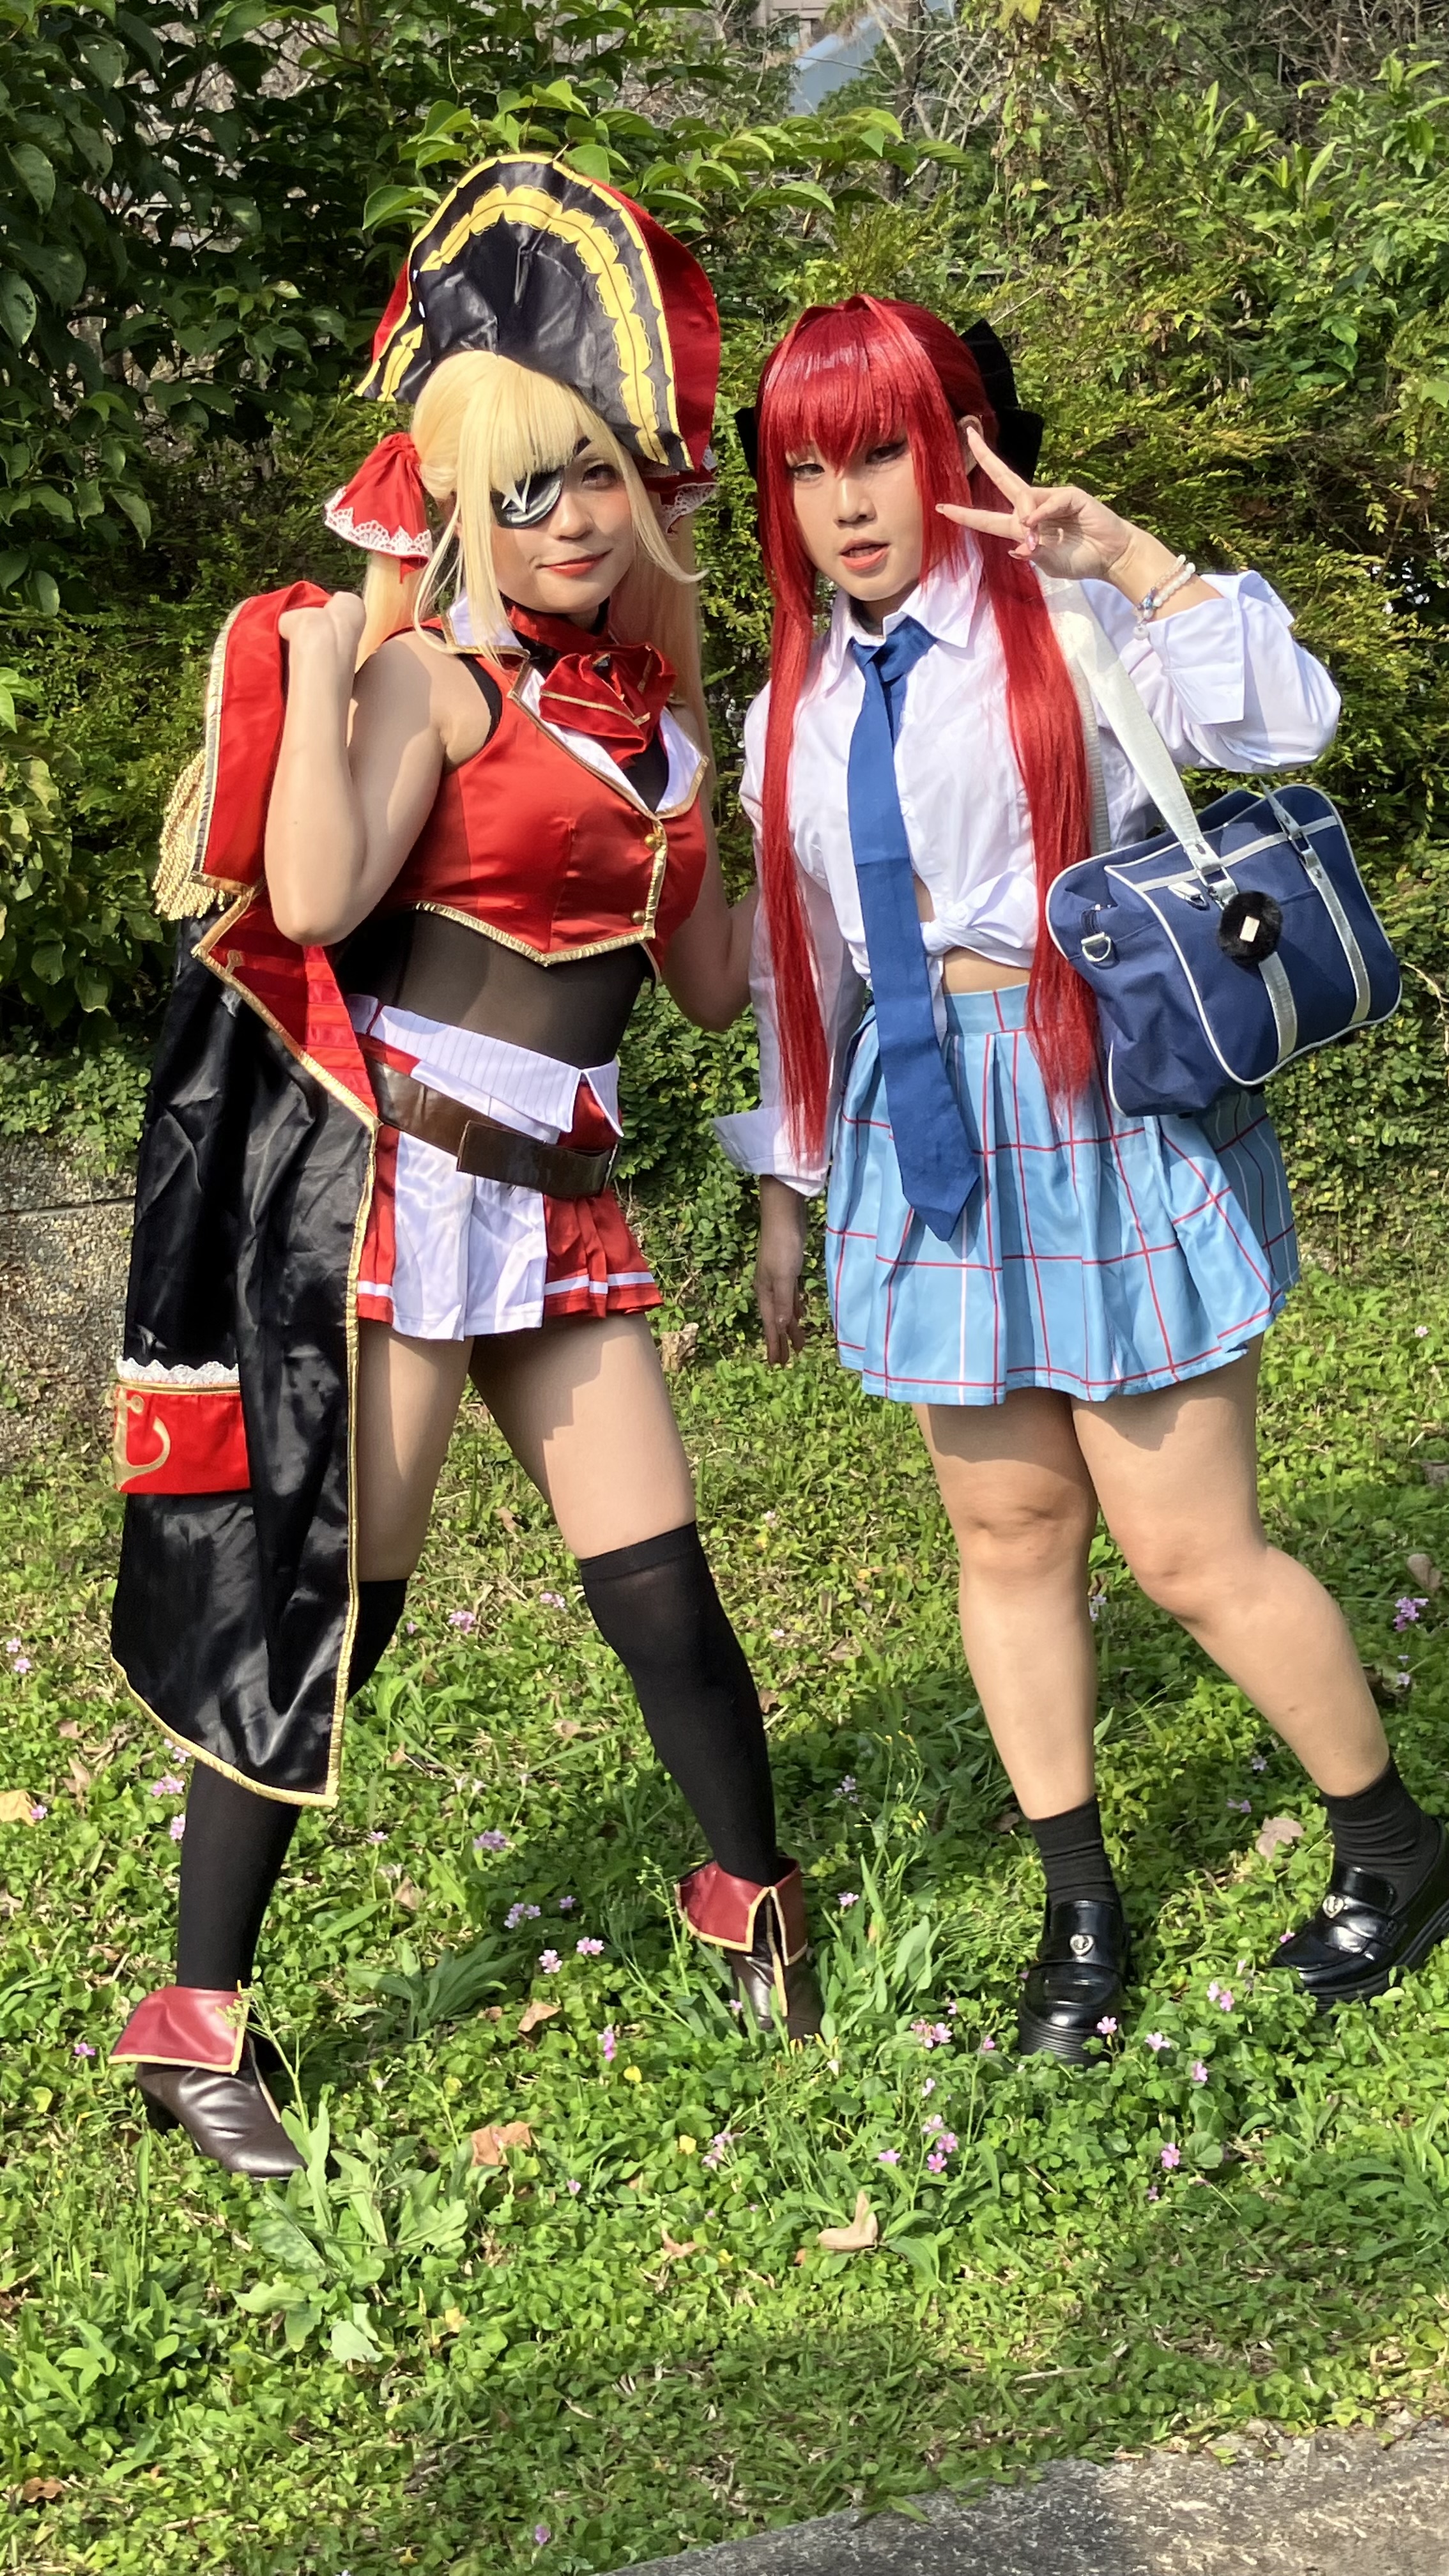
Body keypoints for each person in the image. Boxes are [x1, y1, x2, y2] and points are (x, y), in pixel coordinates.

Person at [108, 158, 822, 2182]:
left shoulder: (660, 729)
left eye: (594, 475)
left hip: (567, 1196)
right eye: (525, 490)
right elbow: (321, 895)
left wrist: (759, 823)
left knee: (661, 1588)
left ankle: (749, 1905)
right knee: (347, 1602)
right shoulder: (431, 678)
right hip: (408, 1197)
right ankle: (193, 2019)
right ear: (460, 510)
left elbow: (702, 989)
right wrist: (339, 659)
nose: (573, 517)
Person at [717, 292, 1449, 2061]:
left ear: (955, 444)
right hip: (919, 1122)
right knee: (1008, 1531)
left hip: (1097, 1097)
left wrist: (1130, 557)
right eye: (806, 467)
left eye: (880, 449)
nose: (847, 501)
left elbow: (1286, 724)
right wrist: (787, 1185)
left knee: (1191, 1551)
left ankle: (1393, 1848)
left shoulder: (1061, 621)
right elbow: (801, 970)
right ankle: (1080, 1905)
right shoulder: (787, 707)